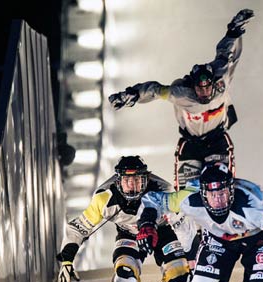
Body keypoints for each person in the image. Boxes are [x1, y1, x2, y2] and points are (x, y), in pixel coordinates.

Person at [56, 156, 195, 282]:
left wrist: (190, 255)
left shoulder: (162, 190)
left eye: (138, 180)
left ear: (146, 179)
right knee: (123, 278)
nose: (133, 186)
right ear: (118, 180)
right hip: (129, 235)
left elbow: (183, 224)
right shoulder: (104, 197)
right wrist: (66, 259)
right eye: (128, 181)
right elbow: (79, 228)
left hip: (163, 231)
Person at [108, 9, 254, 190]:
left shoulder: (221, 79)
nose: (204, 94)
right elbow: (154, 90)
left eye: (207, 88)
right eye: (199, 89)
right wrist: (132, 94)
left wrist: (234, 30)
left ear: (213, 84)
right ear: (192, 87)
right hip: (191, 143)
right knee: (187, 193)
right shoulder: (181, 94)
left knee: (222, 186)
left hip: (216, 140)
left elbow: (225, 54)